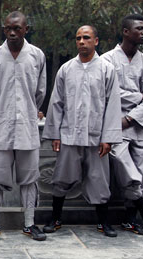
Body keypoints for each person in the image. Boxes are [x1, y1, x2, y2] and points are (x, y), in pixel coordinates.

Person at [42, 25, 122, 237]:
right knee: (61, 178)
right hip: (70, 135)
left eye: (86, 38)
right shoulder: (66, 69)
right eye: (78, 38)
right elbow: (56, 103)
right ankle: (55, 218)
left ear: (96, 41)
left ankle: (103, 222)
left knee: (99, 181)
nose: (81, 42)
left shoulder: (107, 69)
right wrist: (55, 134)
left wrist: (108, 137)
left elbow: (113, 105)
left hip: (97, 138)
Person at [0, 11, 47, 241]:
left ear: (26, 29)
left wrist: (27, 111)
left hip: (27, 125)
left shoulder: (37, 56)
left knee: (30, 177)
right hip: (0, 124)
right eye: (8, 28)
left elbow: (40, 92)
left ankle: (30, 223)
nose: (12, 32)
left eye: (17, 28)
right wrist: (1, 110)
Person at [102, 14, 143, 235]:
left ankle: (130, 218)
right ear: (126, 31)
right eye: (140, 28)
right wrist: (138, 96)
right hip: (114, 125)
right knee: (123, 164)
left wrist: (130, 117)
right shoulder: (107, 60)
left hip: (140, 125)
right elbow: (109, 92)